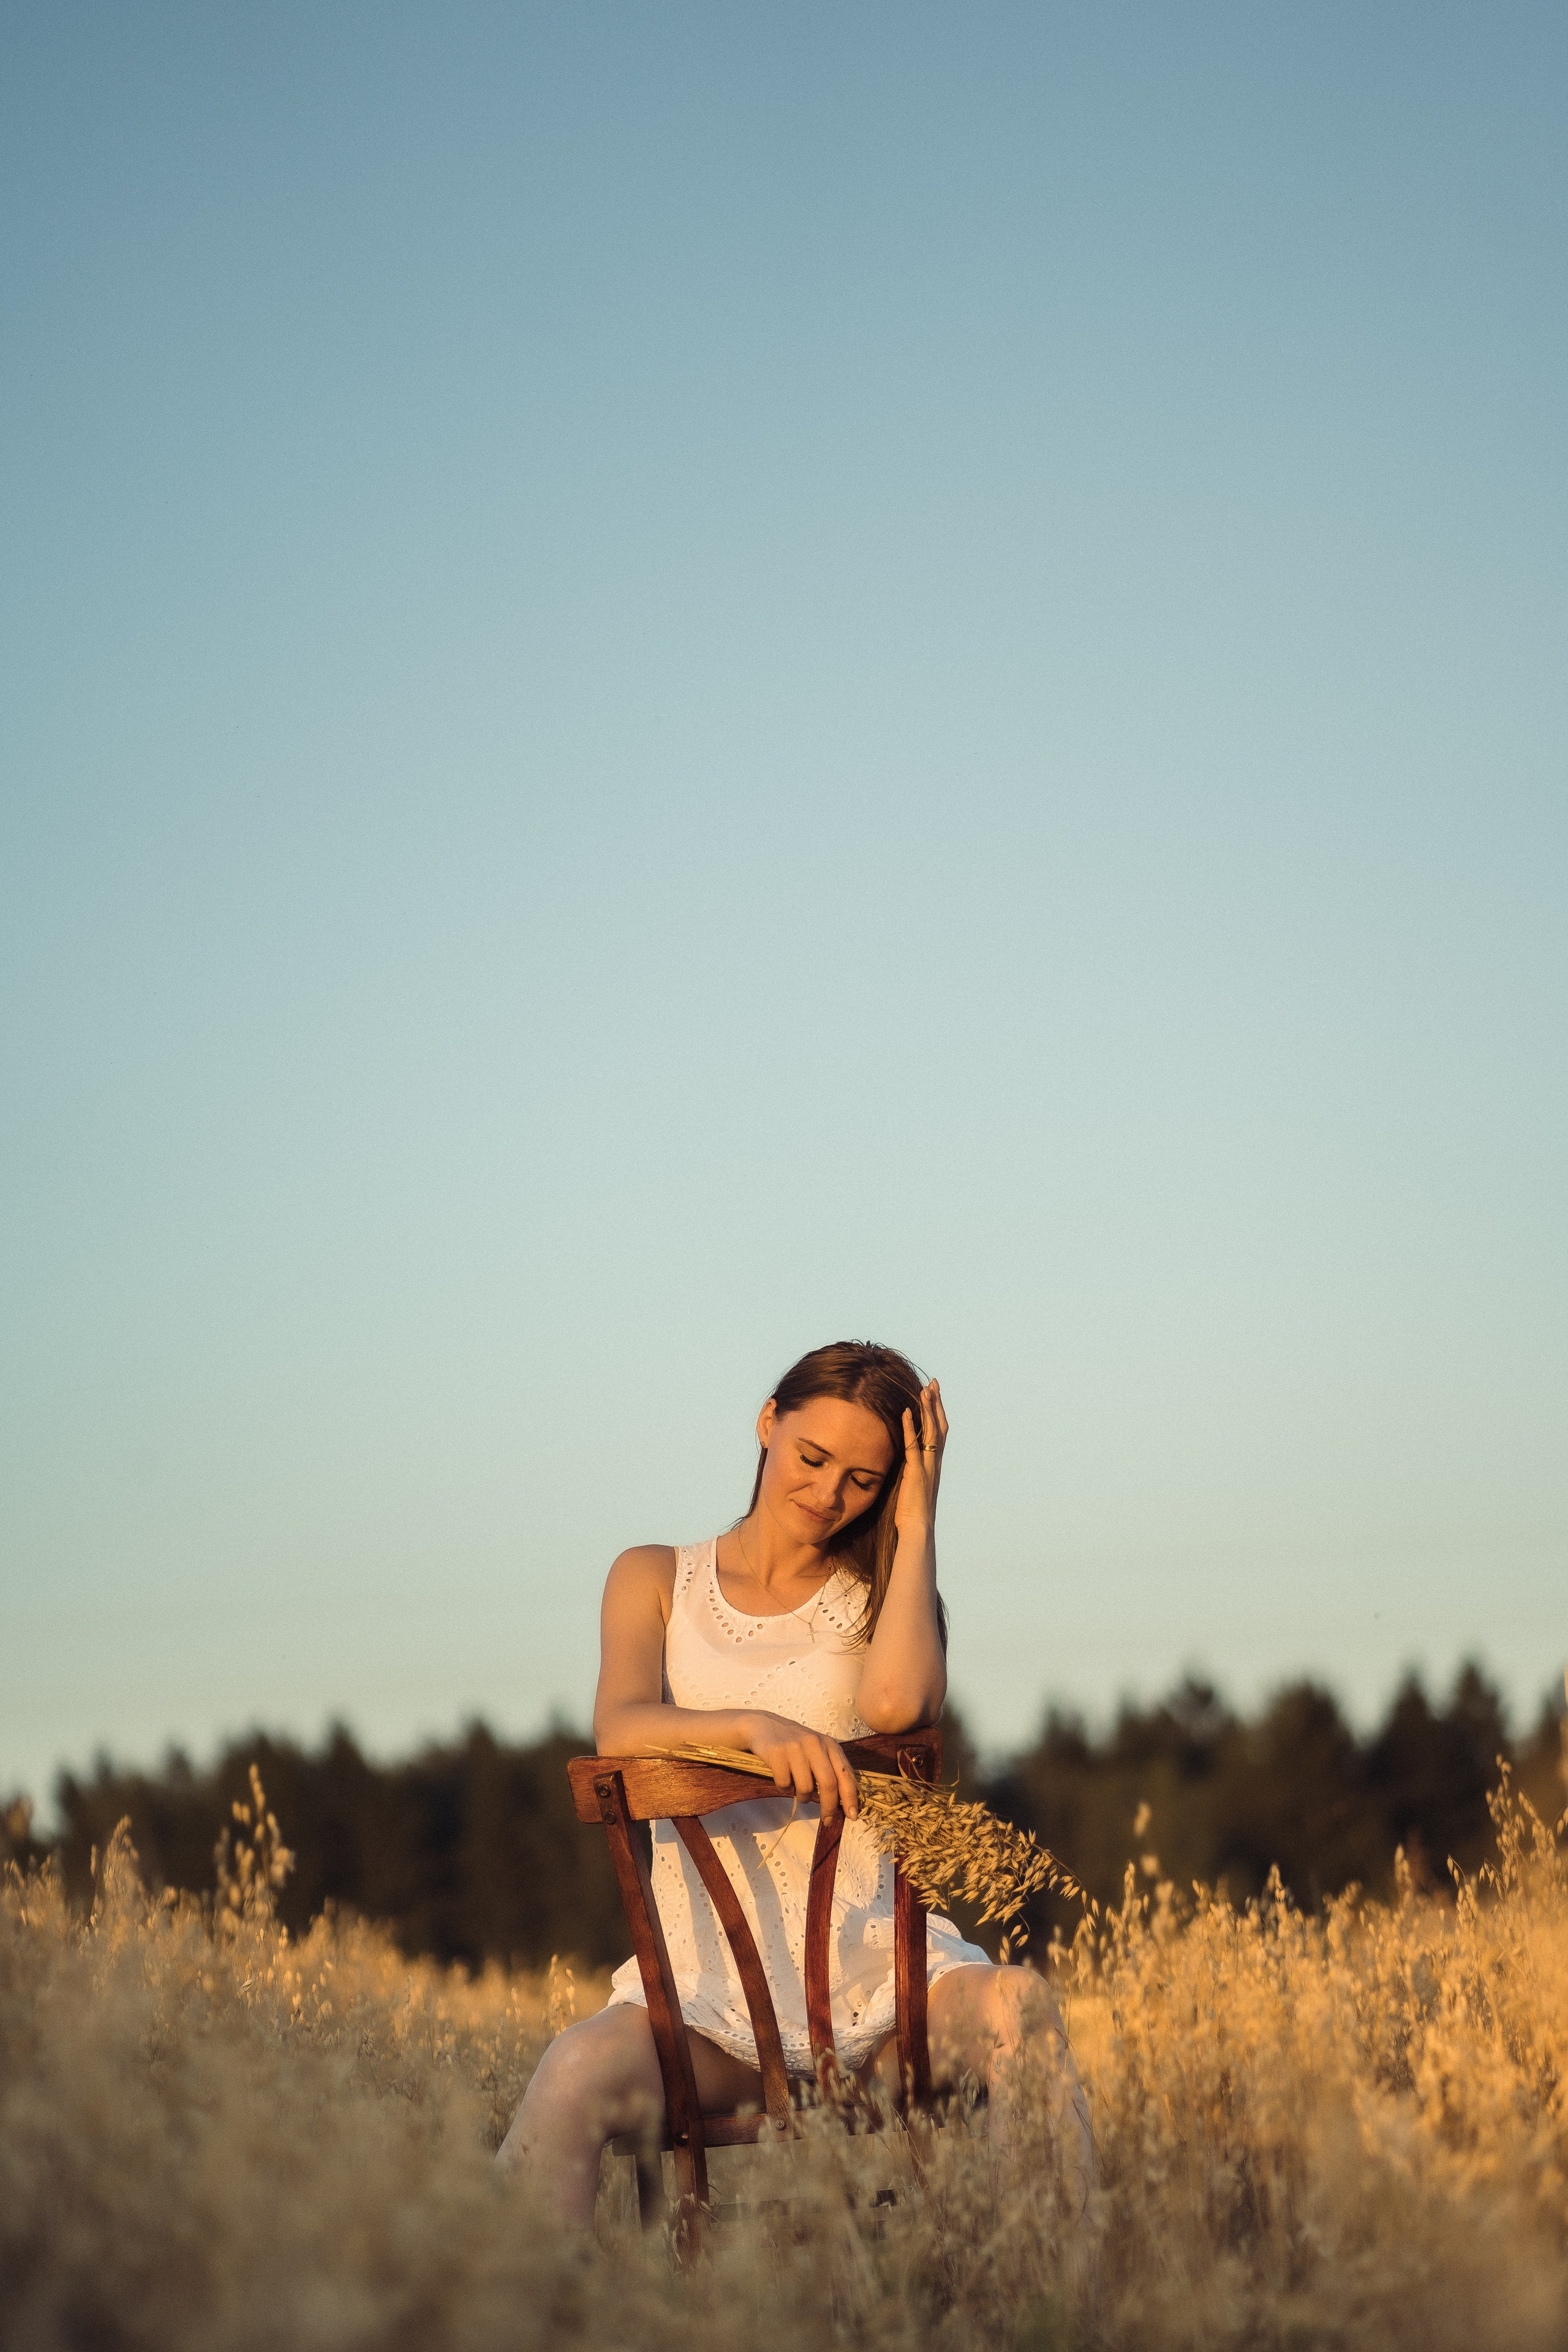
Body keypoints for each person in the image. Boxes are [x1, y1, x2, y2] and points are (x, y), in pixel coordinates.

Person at [497, 1340, 1093, 2223]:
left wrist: (918, 1523)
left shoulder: (882, 1596)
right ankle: (481, 2308)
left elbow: (897, 1706)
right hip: (708, 2008)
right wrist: (751, 1727)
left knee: (1022, 2007)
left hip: (884, 1999)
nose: (828, 1494)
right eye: (812, 1459)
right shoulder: (655, 1577)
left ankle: (1053, 2312)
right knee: (574, 2070)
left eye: (864, 1478)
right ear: (767, 1423)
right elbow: (619, 1726)